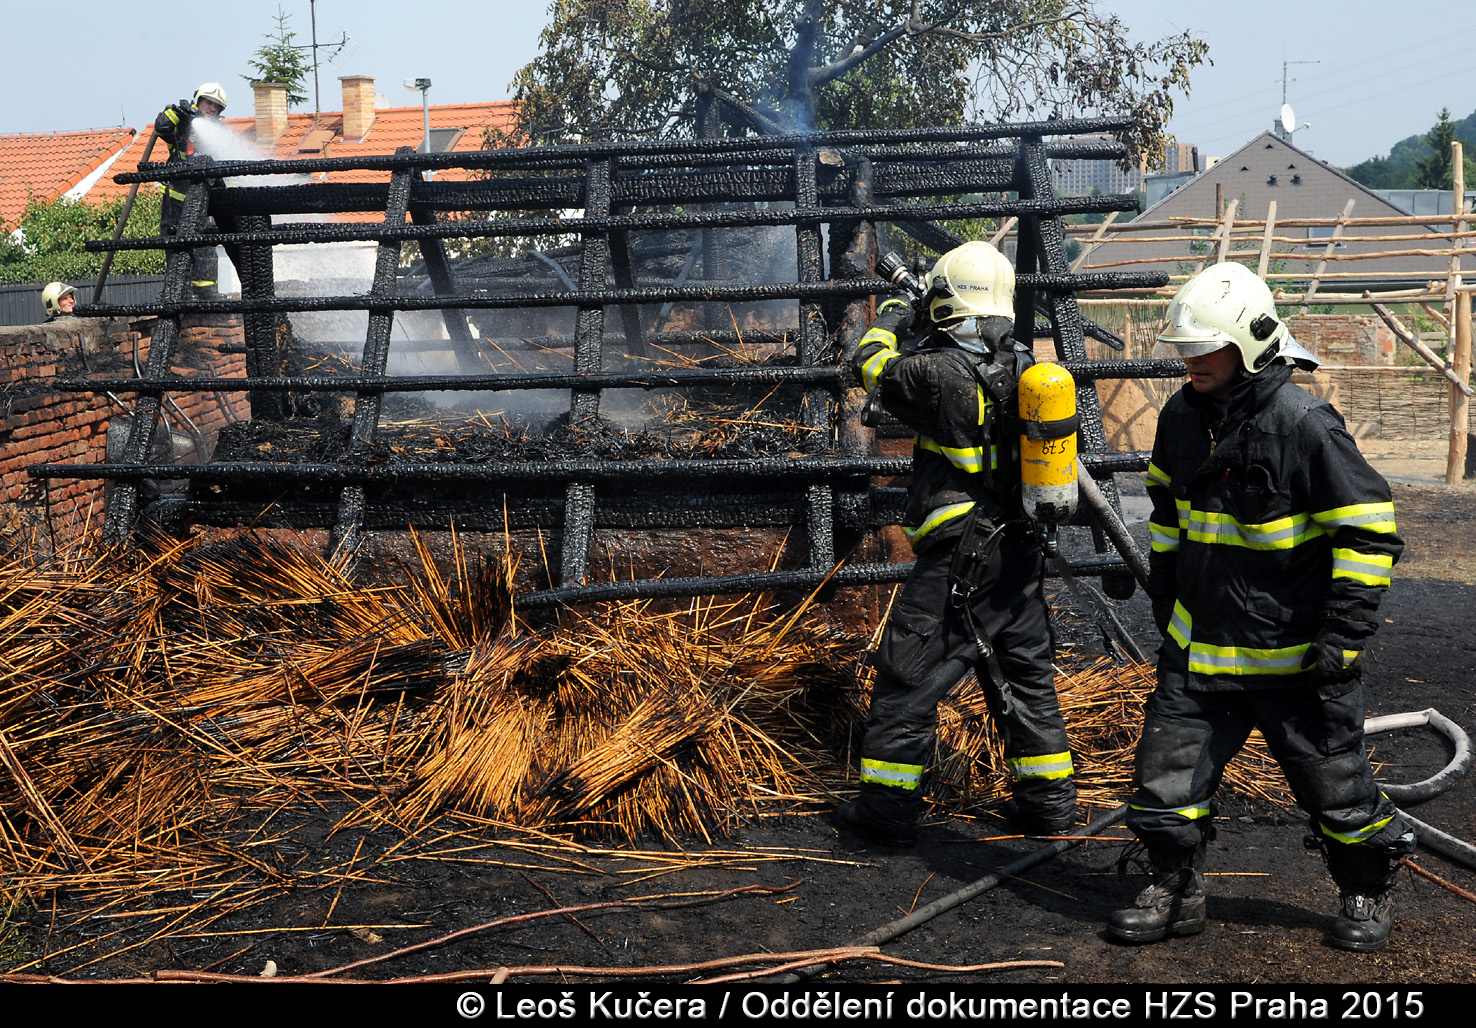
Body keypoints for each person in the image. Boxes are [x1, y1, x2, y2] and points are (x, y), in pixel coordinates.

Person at [1110, 261, 1414, 952]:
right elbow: (1166, 512)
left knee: (1335, 788)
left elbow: (1368, 529)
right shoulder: (1182, 418)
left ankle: (1364, 889)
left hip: (1296, 658)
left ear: (1249, 343)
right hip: (1199, 652)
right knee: (1164, 785)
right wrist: (1166, 594)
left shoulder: (1304, 425)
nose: (1189, 360)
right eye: (1184, 348)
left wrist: (1344, 636)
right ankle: (1174, 890)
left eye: (1204, 347)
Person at [835, 240, 1077, 846]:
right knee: (1024, 676)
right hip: (1019, 549)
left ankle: (887, 812)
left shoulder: (935, 372)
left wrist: (893, 311)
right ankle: (1049, 806)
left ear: (944, 303)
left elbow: (868, 366)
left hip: (961, 555)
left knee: (908, 672)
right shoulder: (1026, 367)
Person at [154, 83, 232, 297]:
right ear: (198, 101)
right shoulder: (181, 122)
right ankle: (177, 290)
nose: (211, 108)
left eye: (217, 106)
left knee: (205, 241)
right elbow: (161, 127)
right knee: (174, 240)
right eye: (208, 102)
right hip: (176, 196)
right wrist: (176, 112)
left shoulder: (218, 131)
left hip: (206, 199)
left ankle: (205, 289)